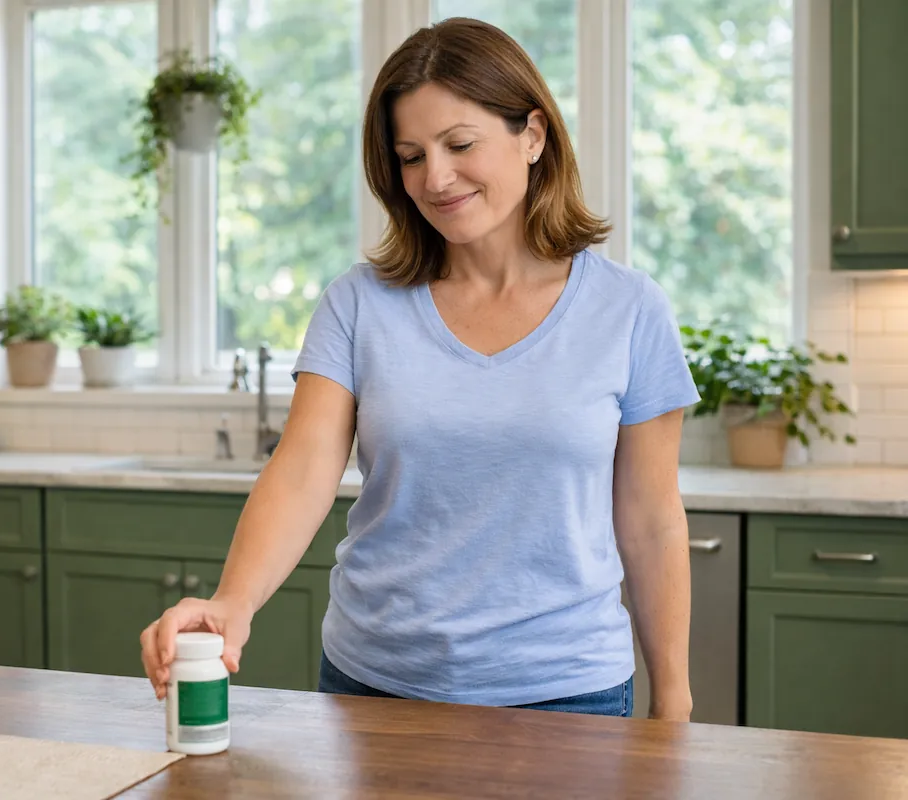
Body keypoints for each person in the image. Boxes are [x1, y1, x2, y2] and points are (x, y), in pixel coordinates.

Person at [140, 17, 700, 720]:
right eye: (410, 156)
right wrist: (233, 600)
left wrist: (673, 699)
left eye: (460, 144)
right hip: (378, 685)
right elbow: (304, 466)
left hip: (569, 692)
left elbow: (651, 519)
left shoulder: (628, 310)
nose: (435, 178)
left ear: (533, 135)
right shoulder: (359, 303)